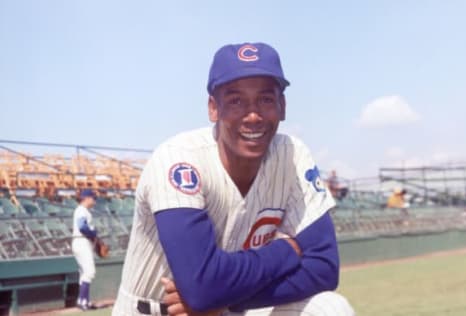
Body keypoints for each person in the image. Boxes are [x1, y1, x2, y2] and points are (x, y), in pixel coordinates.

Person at [112, 42, 354, 316]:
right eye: (236, 101)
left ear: (282, 106)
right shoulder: (178, 159)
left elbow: (324, 266)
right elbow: (201, 285)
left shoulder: (293, 155)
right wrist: (286, 250)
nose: (253, 115)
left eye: (265, 99)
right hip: (158, 310)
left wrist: (226, 301)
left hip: (229, 307)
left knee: (330, 309)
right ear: (213, 108)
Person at [72, 189, 98, 311]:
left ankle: (83, 301)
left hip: (80, 241)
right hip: (82, 241)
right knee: (89, 272)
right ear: (86, 198)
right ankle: (83, 301)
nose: (94, 201)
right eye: (93, 198)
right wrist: (93, 233)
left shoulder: (82, 210)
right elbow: (82, 226)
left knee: (84, 273)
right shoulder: (82, 210)